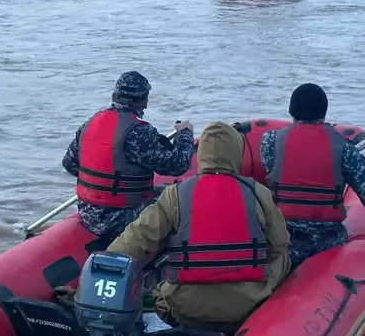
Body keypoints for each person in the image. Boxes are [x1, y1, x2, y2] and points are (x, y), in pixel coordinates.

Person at [105, 122, 291, 331]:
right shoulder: (258, 192)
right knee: (284, 257)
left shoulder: (174, 194)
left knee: (159, 285)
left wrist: (97, 270)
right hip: (247, 305)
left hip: (187, 309)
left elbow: (135, 241)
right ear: (236, 152)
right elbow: (279, 244)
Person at [260, 83, 365, 267]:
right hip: (327, 243)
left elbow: (274, 172)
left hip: (285, 241)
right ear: (324, 114)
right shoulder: (344, 148)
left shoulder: (270, 141)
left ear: (291, 112)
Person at [62, 71, 196, 239]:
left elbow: (69, 164)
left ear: (113, 96)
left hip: (87, 212)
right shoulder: (139, 132)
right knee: (184, 197)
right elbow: (179, 165)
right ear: (144, 101)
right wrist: (185, 133)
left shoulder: (89, 124)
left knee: (162, 191)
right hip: (120, 218)